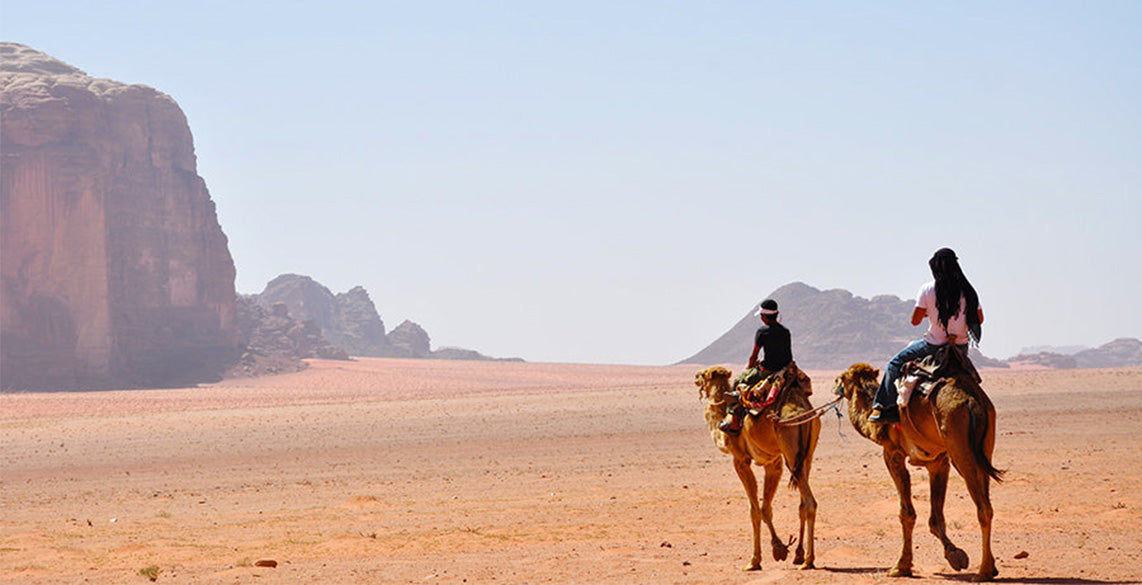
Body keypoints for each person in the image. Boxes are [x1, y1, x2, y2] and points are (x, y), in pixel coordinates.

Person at [869, 248, 984, 423]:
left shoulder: (928, 289)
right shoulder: (968, 291)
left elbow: (915, 321)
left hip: (933, 345)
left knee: (894, 364)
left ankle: (885, 408)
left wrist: (930, 312)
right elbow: (979, 319)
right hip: (960, 348)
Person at [719, 298, 793, 434]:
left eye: (761, 315)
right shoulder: (785, 331)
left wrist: (749, 368)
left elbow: (754, 355)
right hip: (787, 369)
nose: (761, 318)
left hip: (767, 371)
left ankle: (734, 421)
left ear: (764, 317)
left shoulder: (762, 331)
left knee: (738, 382)